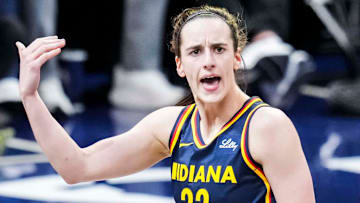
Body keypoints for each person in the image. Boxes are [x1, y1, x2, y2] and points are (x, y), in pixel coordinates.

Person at [15, 5, 315, 202]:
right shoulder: (171, 125)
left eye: (219, 49)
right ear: (180, 65)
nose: (208, 61)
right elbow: (77, 167)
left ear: (237, 58)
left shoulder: (266, 127)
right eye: (195, 51)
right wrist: (30, 97)